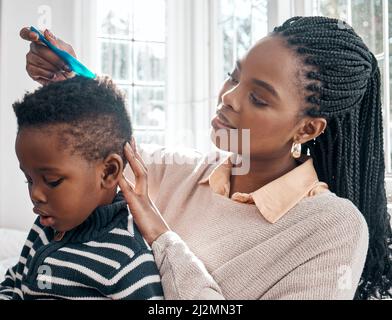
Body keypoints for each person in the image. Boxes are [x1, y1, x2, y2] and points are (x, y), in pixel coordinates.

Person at [20, 16, 392, 300]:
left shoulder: (332, 229)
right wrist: (70, 78)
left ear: (308, 129)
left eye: (258, 98)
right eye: (233, 77)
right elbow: (112, 151)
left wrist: (161, 236)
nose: (228, 96)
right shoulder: (185, 172)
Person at [0, 76, 164, 300]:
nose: (35, 194)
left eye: (52, 181)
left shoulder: (125, 260)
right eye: (28, 179)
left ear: (108, 172)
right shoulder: (43, 228)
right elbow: (16, 281)